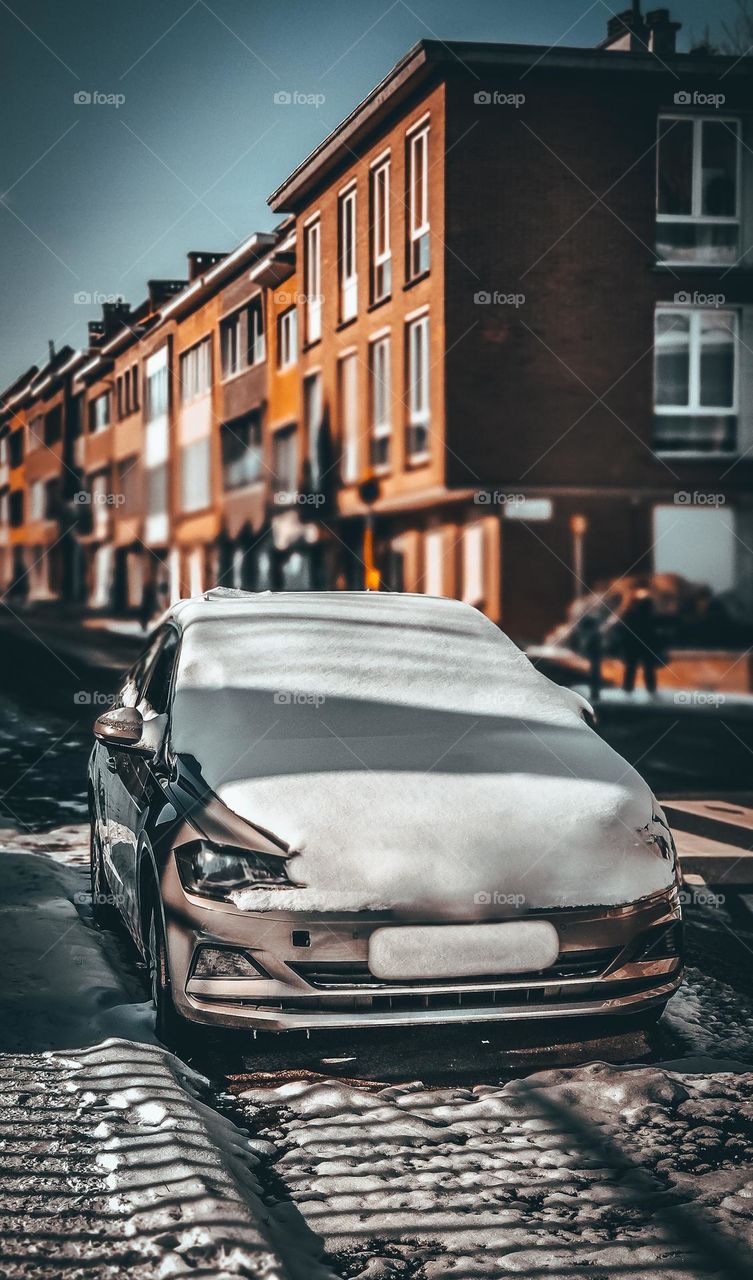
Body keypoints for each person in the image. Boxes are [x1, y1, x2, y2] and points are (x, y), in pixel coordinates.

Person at [618, 588, 661, 694]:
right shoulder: (647, 614)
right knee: (646, 667)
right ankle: (649, 689)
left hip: (635, 643)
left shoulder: (630, 613)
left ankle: (629, 689)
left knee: (634, 667)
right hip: (643, 643)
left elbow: (624, 630)